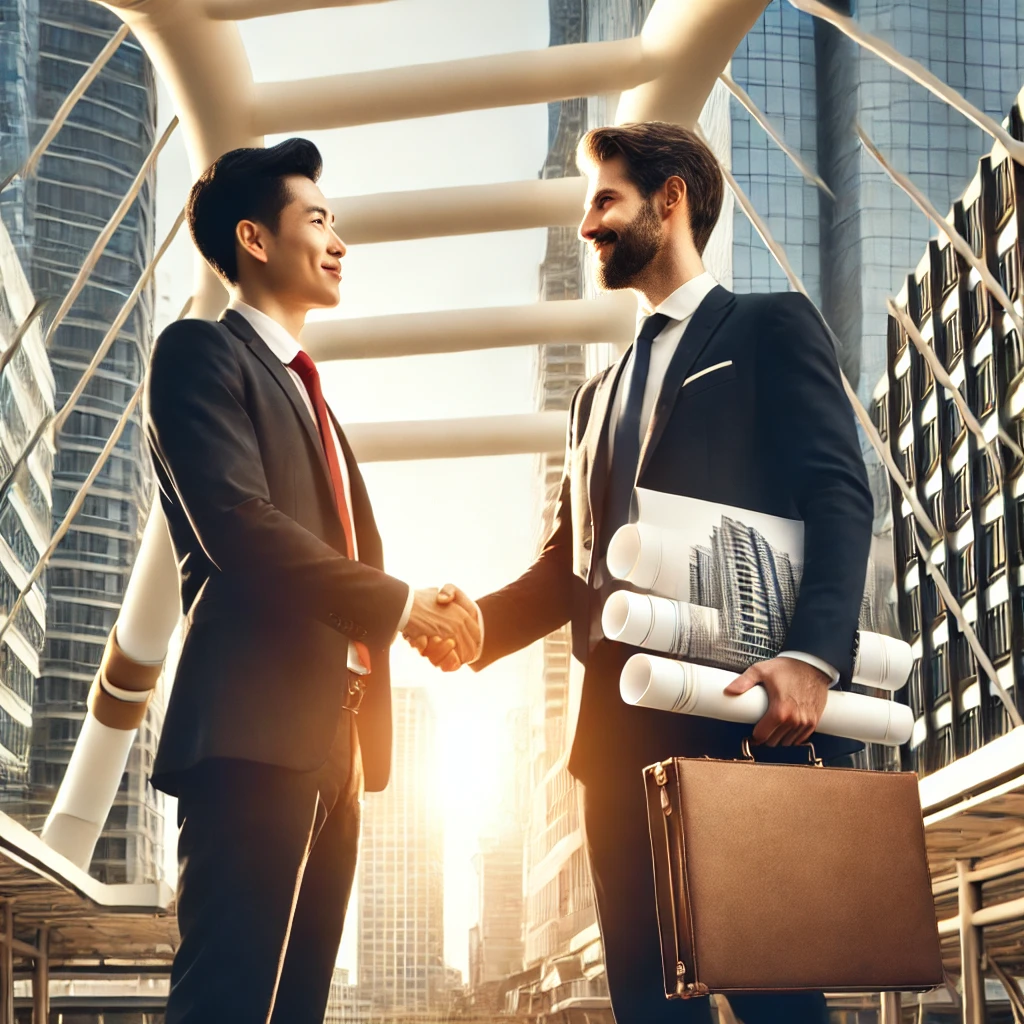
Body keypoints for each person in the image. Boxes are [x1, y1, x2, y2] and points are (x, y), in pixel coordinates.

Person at [413, 121, 873, 1023]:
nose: (589, 224)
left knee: (776, 994)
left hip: (741, 718)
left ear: (672, 200)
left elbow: (840, 494)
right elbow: (568, 569)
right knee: (647, 1002)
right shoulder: (594, 397)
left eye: (605, 200)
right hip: (613, 748)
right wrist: (475, 630)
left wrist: (813, 659)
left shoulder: (770, 327)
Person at [144, 138, 480, 1024]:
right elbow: (241, 529)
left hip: (341, 738)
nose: (339, 241)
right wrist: (404, 604)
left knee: (293, 1010)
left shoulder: (314, 399)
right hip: (255, 734)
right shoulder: (197, 356)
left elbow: (338, 559)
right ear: (254, 240)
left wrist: (409, 613)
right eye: (319, 220)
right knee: (227, 998)